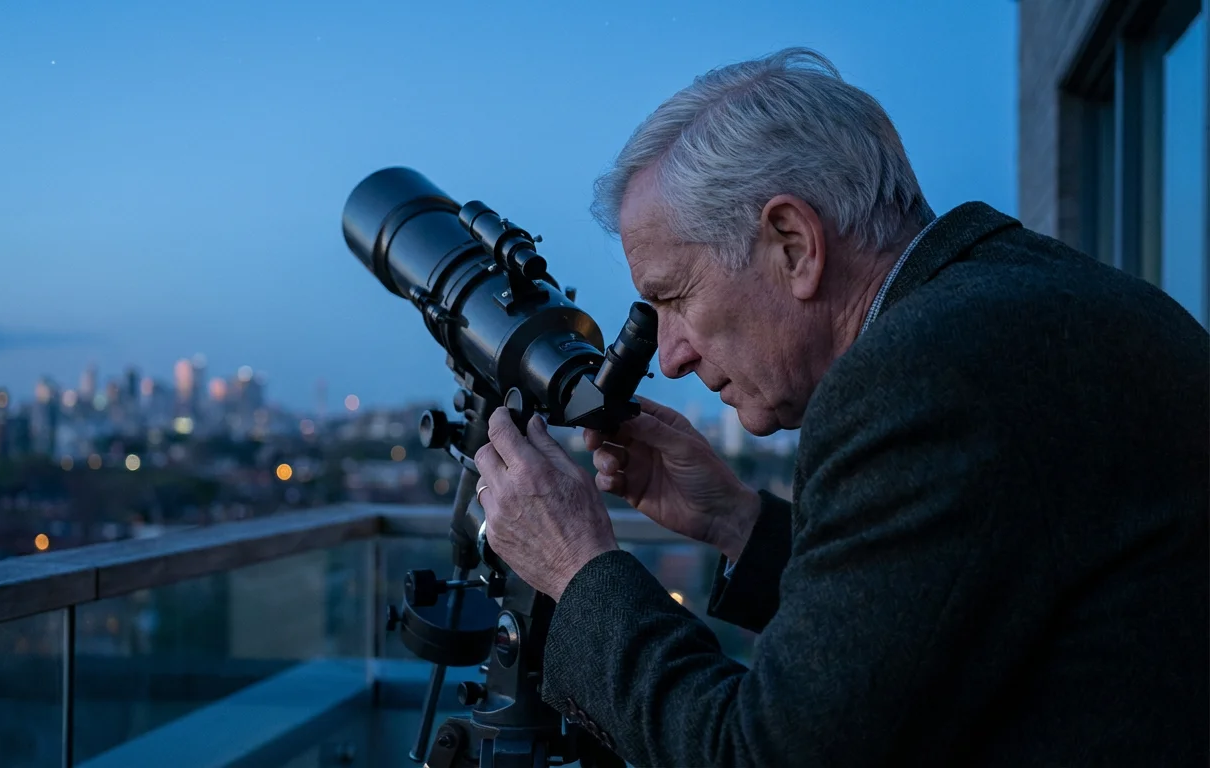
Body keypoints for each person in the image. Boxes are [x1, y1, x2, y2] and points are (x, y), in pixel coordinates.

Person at [471, 47, 1209, 766]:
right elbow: (937, 612)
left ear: (794, 244)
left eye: (675, 298)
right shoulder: (1021, 304)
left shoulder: (923, 378)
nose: (670, 356)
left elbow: (765, 753)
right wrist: (737, 522)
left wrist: (577, 568)